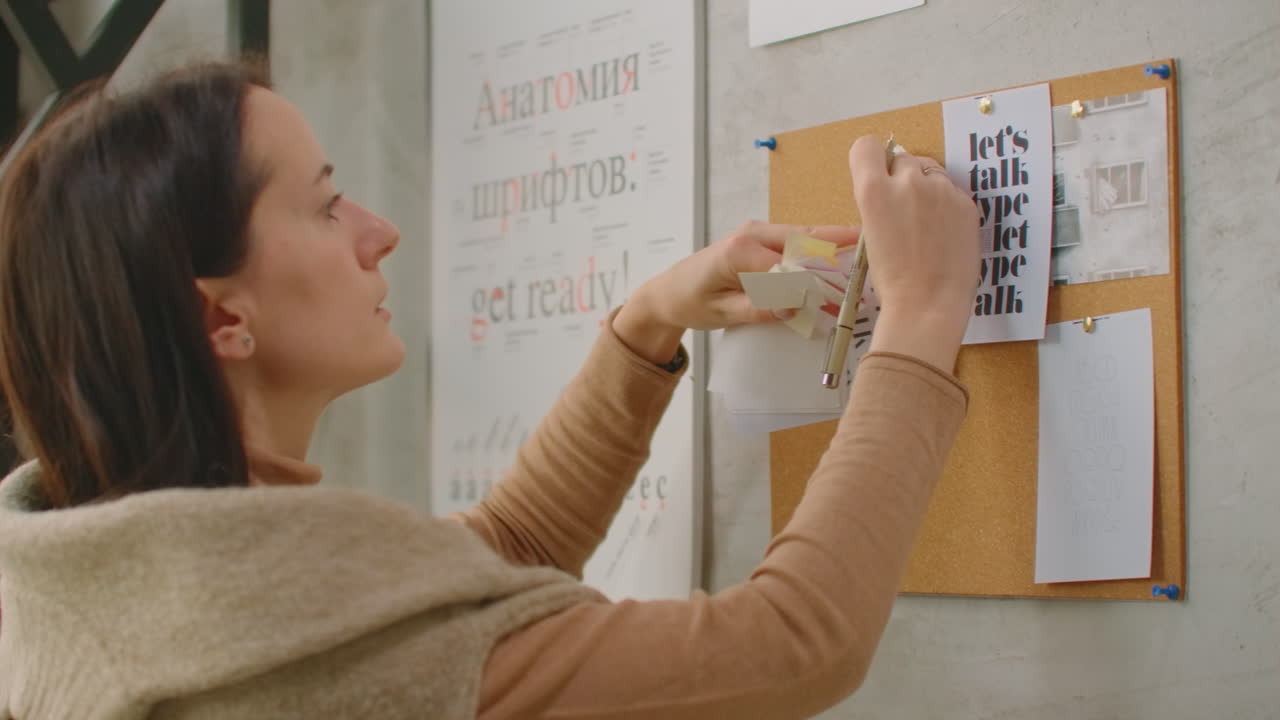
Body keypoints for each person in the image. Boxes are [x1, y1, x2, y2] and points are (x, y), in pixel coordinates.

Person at [0, 59, 978, 719]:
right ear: (222, 317)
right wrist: (922, 311)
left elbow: (493, 564)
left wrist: (646, 324)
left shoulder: (110, 589)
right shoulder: (285, 656)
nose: (380, 232)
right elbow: (793, 646)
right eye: (327, 205)